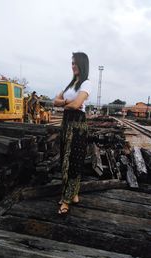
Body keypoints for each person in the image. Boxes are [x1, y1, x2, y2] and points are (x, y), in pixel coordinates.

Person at [54, 52, 91, 215]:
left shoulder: (86, 84)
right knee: (64, 158)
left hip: (77, 125)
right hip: (66, 122)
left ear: (82, 64)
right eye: (72, 63)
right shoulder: (70, 85)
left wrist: (65, 103)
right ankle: (74, 194)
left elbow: (77, 105)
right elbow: (55, 101)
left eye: (75, 63)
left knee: (72, 161)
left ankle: (66, 200)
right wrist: (66, 103)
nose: (73, 65)